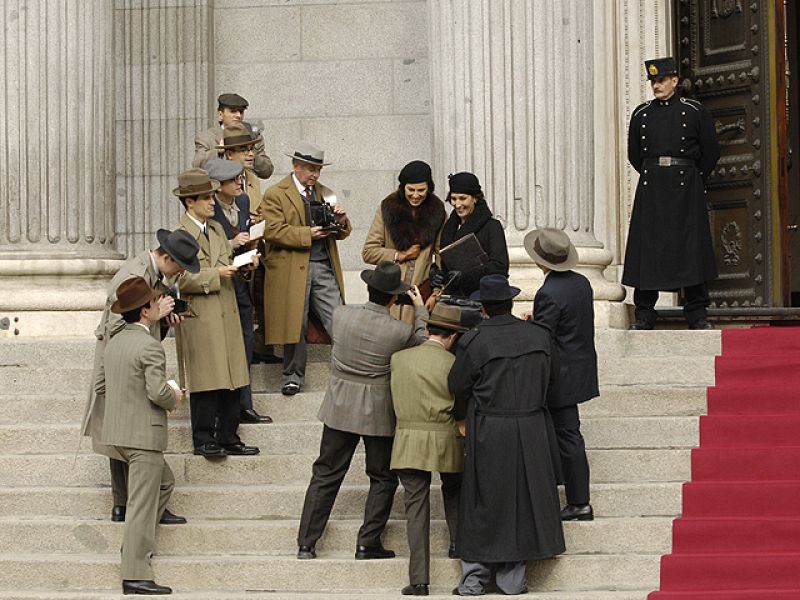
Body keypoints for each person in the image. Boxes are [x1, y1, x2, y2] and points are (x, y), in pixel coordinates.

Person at [296, 261, 428, 561]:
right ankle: (367, 542)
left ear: (368, 288)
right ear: (395, 298)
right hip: (377, 410)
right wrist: (420, 310)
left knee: (326, 473)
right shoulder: (399, 330)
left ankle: (306, 543)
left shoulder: (341, 314)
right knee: (382, 477)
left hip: (340, 404)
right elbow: (423, 343)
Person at [448, 274, 565, 596]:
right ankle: (512, 579)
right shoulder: (539, 335)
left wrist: (462, 416)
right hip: (531, 425)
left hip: (490, 426)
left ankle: (475, 579)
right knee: (522, 501)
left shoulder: (473, 340)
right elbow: (554, 381)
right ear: (511, 303)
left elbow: (457, 385)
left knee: (482, 501)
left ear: (483, 307)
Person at [81, 228, 200, 525]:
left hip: (123, 362)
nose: (179, 274)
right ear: (168, 258)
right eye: (181, 267)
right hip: (122, 363)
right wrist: (155, 317)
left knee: (121, 430)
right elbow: (122, 327)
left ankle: (123, 505)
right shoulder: (134, 275)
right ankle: (131, 503)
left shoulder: (149, 273)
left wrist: (162, 320)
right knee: (127, 433)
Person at [623, 57, 721, 330]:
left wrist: (692, 178)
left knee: (691, 248)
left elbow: (711, 152)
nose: (656, 85)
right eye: (653, 81)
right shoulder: (641, 114)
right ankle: (644, 312)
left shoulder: (694, 111)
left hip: (685, 187)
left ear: (675, 81)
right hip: (653, 188)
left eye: (662, 80)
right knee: (648, 249)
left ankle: (697, 312)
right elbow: (635, 156)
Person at [101, 277, 184, 595]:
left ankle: (133, 547)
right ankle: (134, 573)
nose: (157, 304)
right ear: (145, 311)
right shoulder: (149, 345)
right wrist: (175, 396)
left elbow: (104, 384)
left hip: (119, 432)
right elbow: (157, 392)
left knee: (164, 483)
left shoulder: (116, 340)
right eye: (153, 302)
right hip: (143, 436)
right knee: (140, 505)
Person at [171, 168, 260, 458]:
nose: (212, 202)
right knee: (207, 379)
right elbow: (181, 278)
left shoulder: (218, 229)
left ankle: (229, 435)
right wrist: (217, 273)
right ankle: (204, 437)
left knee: (232, 376)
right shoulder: (180, 235)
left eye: (211, 196)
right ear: (189, 202)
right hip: (203, 314)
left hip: (226, 309)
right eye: (206, 197)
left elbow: (226, 264)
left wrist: (243, 266)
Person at [258, 142, 352, 396]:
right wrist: (306, 233)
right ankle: (292, 375)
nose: (315, 174)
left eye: (318, 169)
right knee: (293, 323)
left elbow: (340, 230)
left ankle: (350, 371)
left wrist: (340, 222)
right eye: (311, 169)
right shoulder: (276, 193)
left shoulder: (325, 192)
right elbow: (271, 229)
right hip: (290, 267)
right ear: (295, 166)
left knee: (339, 319)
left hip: (321, 265)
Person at [390, 303, 468, 596]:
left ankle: (419, 579)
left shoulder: (399, 359)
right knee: (455, 490)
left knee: (416, 508)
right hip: (445, 437)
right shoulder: (454, 364)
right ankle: (458, 544)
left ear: (426, 329)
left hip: (408, 438)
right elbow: (461, 405)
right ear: (453, 337)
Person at [523, 228, 598, 521]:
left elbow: (546, 337)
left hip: (560, 374)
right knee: (565, 433)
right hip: (579, 366)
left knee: (567, 436)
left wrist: (530, 326)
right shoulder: (582, 283)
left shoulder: (549, 292)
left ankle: (580, 501)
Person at [205, 158, 272, 424]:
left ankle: (244, 405)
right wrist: (233, 243)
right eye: (233, 180)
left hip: (242, 284)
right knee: (223, 350)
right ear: (217, 186)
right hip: (219, 287)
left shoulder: (243, 202)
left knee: (244, 345)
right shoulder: (208, 210)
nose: (239, 184)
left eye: (240, 178)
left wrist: (251, 251)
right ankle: (224, 410)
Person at [217, 124, 280, 364]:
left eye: (251, 149)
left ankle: (259, 344)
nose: (250, 154)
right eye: (244, 150)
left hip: (254, 245)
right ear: (230, 154)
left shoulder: (251, 179)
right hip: (231, 257)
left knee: (261, 294)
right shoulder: (218, 185)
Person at [362, 160, 446, 321]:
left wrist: (437, 292)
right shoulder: (387, 209)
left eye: (421, 190)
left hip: (421, 299)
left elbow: (442, 255)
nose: (415, 195)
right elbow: (368, 252)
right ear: (403, 188)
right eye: (411, 190)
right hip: (389, 301)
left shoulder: (437, 212)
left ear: (429, 188)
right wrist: (400, 255)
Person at [432, 172, 509, 299]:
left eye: (462, 198)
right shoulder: (448, 227)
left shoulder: (492, 226)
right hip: (454, 300)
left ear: (475, 198)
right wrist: (437, 275)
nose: (457, 204)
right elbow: (446, 264)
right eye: (453, 198)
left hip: (483, 299)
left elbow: (499, 266)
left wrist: (465, 276)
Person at [193, 93, 274, 180]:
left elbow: (267, 171)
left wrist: (249, 153)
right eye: (233, 111)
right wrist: (219, 152)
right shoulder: (206, 137)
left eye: (241, 112)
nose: (238, 115)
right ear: (220, 114)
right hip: (221, 190)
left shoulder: (253, 135)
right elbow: (197, 165)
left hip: (246, 188)